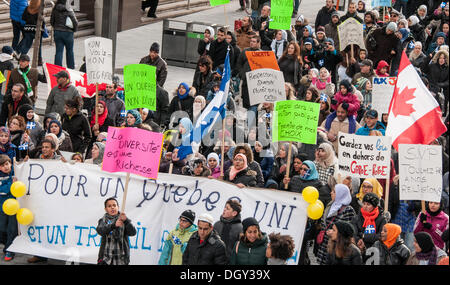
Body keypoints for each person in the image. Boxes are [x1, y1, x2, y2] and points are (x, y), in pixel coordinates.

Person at [316, 183, 356, 265]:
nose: (331, 193)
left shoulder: (348, 210)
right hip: (325, 244)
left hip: (337, 245)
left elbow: (348, 231)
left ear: (340, 194)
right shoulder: (331, 204)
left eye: (334, 191)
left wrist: (335, 233)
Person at [96, 197, 137, 265]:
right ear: (105, 209)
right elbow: (100, 231)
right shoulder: (103, 220)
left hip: (121, 260)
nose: (112, 207)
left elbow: (133, 232)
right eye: (109, 206)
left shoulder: (123, 219)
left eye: (114, 205)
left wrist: (126, 221)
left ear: (118, 207)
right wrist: (113, 225)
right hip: (106, 259)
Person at [16, 0, 47, 66]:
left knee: (26, 46)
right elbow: (42, 20)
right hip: (38, 30)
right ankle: (39, 61)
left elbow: (23, 18)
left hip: (28, 29)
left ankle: (21, 59)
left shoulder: (27, 8)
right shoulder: (40, 9)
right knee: (39, 46)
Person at [51, 0, 78, 69]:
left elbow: (52, 21)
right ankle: (71, 68)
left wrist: (56, 27)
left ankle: (57, 68)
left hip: (57, 32)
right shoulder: (69, 9)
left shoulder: (55, 8)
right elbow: (75, 22)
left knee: (58, 51)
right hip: (68, 33)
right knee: (69, 51)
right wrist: (74, 29)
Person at [0, 154, 17, 261]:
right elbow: (4, 190)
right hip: (2, 208)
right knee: (2, 228)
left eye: (7, 164)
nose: (6, 167)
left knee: (12, 229)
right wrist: (12, 183)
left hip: (14, 208)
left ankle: (9, 250)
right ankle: (6, 244)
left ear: (10, 163)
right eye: (2, 165)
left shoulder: (16, 173)